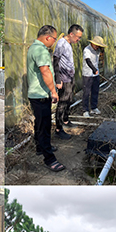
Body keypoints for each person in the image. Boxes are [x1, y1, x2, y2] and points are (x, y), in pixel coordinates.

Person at [27, 25, 62, 172]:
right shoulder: (41, 50)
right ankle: (49, 159)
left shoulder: (33, 48)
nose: (54, 42)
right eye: (54, 39)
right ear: (48, 37)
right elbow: (45, 71)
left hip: (36, 95)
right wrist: (53, 91)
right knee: (44, 127)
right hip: (41, 95)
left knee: (39, 124)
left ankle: (40, 148)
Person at [52, 25, 83, 139]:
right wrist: (58, 79)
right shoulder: (61, 43)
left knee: (69, 100)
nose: (78, 39)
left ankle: (65, 120)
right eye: (78, 37)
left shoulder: (69, 44)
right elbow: (55, 60)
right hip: (63, 79)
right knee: (62, 103)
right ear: (71, 34)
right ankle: (58, 129)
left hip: (70, 77)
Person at [82, 36, 107, 117]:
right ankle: (85, 110)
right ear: (92, 43)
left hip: (95, 74)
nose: (97, 47)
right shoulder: (87, 50)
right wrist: (93, 69)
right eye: (96, 45)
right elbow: (88, 60)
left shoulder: (98, 50)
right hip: (87, 74)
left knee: (95, 91)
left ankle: (94, 108)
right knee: (86, 92)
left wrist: (96, 71)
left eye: (99, 45)